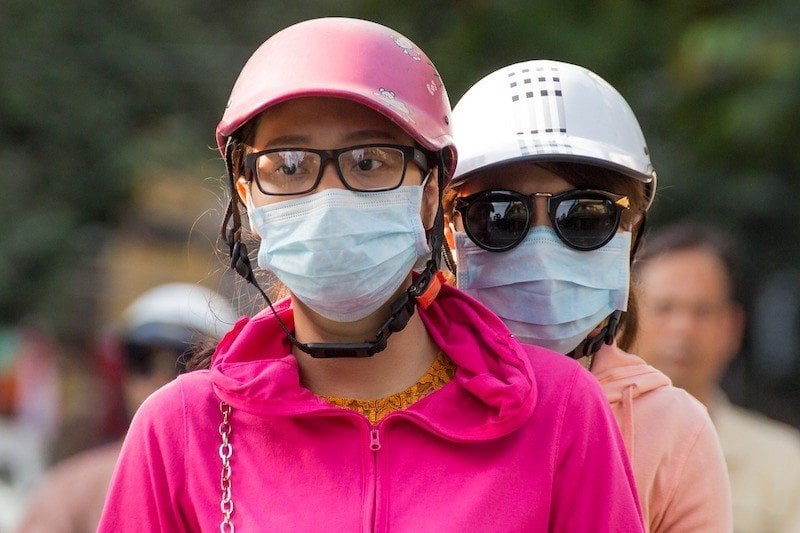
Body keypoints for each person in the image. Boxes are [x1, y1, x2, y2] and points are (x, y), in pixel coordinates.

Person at [99, 19, 643, 531]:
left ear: (431, 194)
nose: (328, 197)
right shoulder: (180, 429)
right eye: (289, 165)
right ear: (247, 197)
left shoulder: (560, 412)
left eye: (369, 162)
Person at [443, 59, 732, 531]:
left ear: (631, 231)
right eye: (498, 215)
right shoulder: (394, 395)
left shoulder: (674, 431)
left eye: (583, 217)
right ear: (451, 236)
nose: (541, 253)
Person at [19, 283, 236, 533]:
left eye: (186, 360)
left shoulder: (251, 486)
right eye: (142, 360)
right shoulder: (69, 491)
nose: (160, 378)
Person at [632, 222, 800, 533]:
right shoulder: (587, 443)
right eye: (664, 307)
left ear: (733, 328)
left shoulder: (785, 464)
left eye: (702, 311)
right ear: (626, 321)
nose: (683, 327)